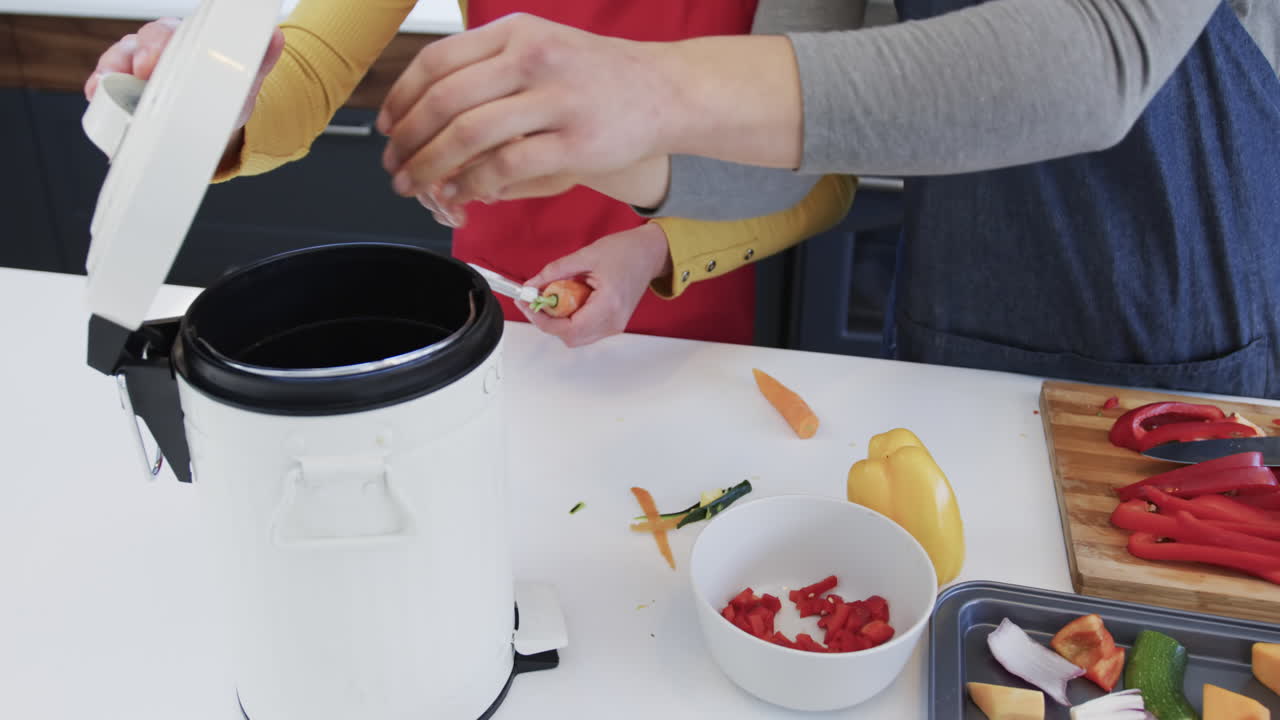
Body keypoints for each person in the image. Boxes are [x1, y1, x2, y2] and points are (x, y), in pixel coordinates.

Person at [375, 1, 1280, 399]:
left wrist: (653, 90)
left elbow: (1101, 55)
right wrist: (588, 148)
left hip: (1172, 300)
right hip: (955, 313)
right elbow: (786, 164)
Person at [85, 1, 855, 349]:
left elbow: (824, 172)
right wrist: (220, 96)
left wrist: (655, 249)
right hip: (500, 319)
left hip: (692, 330)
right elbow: (310, 68)